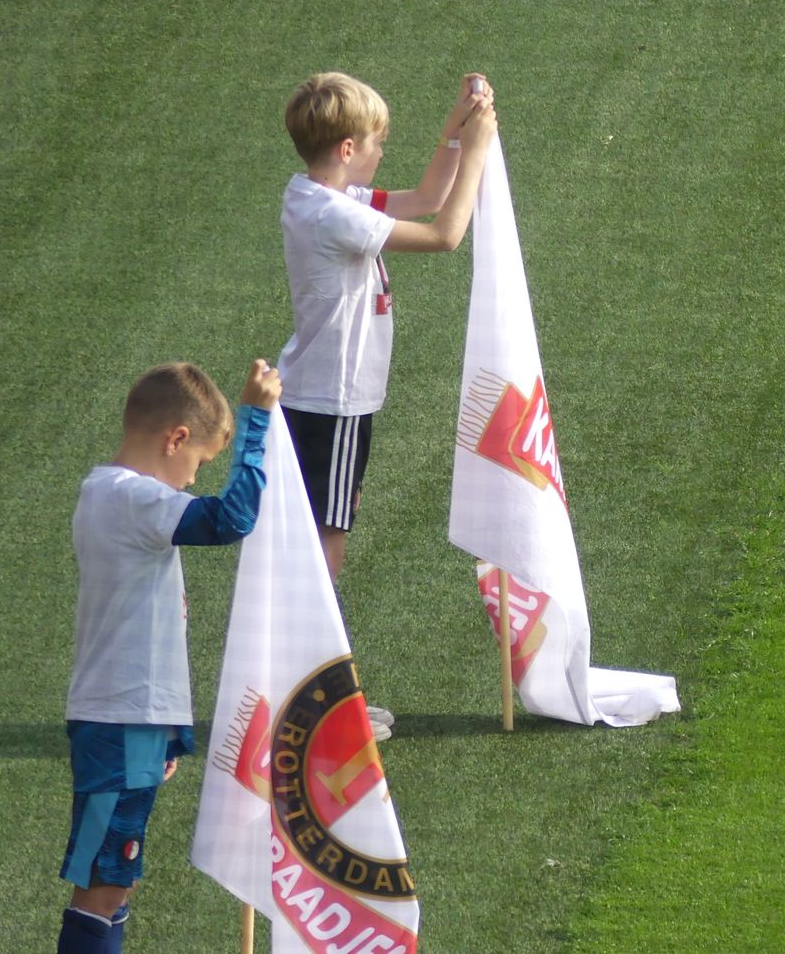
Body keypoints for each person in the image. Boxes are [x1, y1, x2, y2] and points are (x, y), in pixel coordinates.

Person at [276, 71, 498, 739]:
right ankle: (319, 707)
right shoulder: (331, 212)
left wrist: (456, 134)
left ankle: (315, 697)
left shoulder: (321, 194)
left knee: (318, 551)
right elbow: (443, 232)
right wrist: (481, 151)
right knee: (324, 556)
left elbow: (427, 195)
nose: (380, 153)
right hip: (332, 406)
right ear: (346, 148)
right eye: (376, 142)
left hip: (326, 401)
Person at [57, 359, 281, 954]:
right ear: (175, 439)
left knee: (114, 881)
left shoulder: (106, 493)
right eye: (199, 464)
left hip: (130, 721)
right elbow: (233, 519)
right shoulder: (133, 498)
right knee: (104, 886)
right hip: (122, 720)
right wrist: (256, 419)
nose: (190, 480)